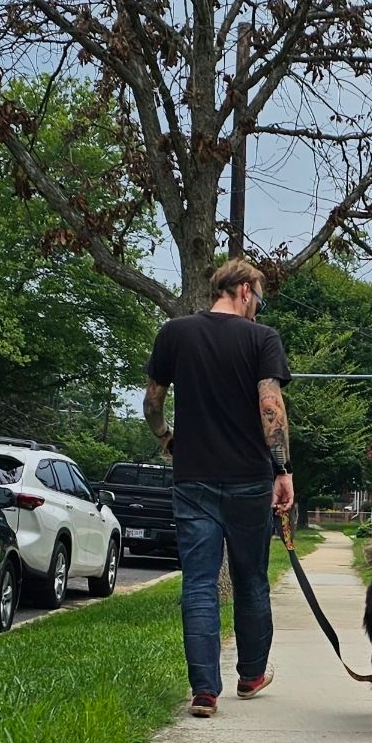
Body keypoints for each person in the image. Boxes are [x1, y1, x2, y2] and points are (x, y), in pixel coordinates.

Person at [144, 258, 294, 717]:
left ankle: (205, 691)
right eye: (260, 295)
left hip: (193, 478)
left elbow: (153, 400)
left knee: (200, 583)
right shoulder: (262, 338)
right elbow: (271, 405)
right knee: (251, 579)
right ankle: (250, 676)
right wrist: (282, 469)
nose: (259, 305)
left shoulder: (175, 332)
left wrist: (167, 438)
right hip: (249, 478)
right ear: (245, 290)